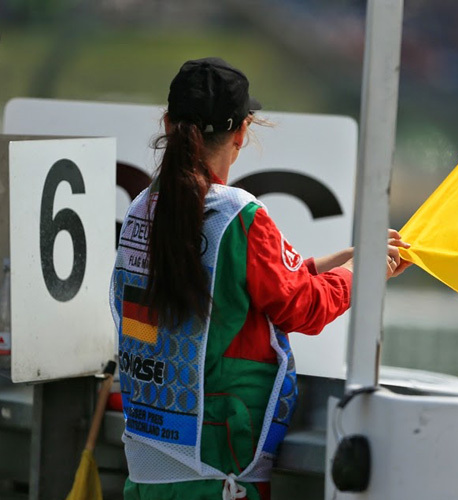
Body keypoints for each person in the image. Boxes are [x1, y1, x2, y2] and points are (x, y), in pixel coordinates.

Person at [110, 57, 409, 500]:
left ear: (169, 123)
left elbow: (235, 289)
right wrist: (360, 274)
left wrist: (339, 261)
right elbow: (302, 307)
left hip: (150, 469)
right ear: (242, 133)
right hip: (215, 475)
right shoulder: (237, 215)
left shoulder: (143, 207)